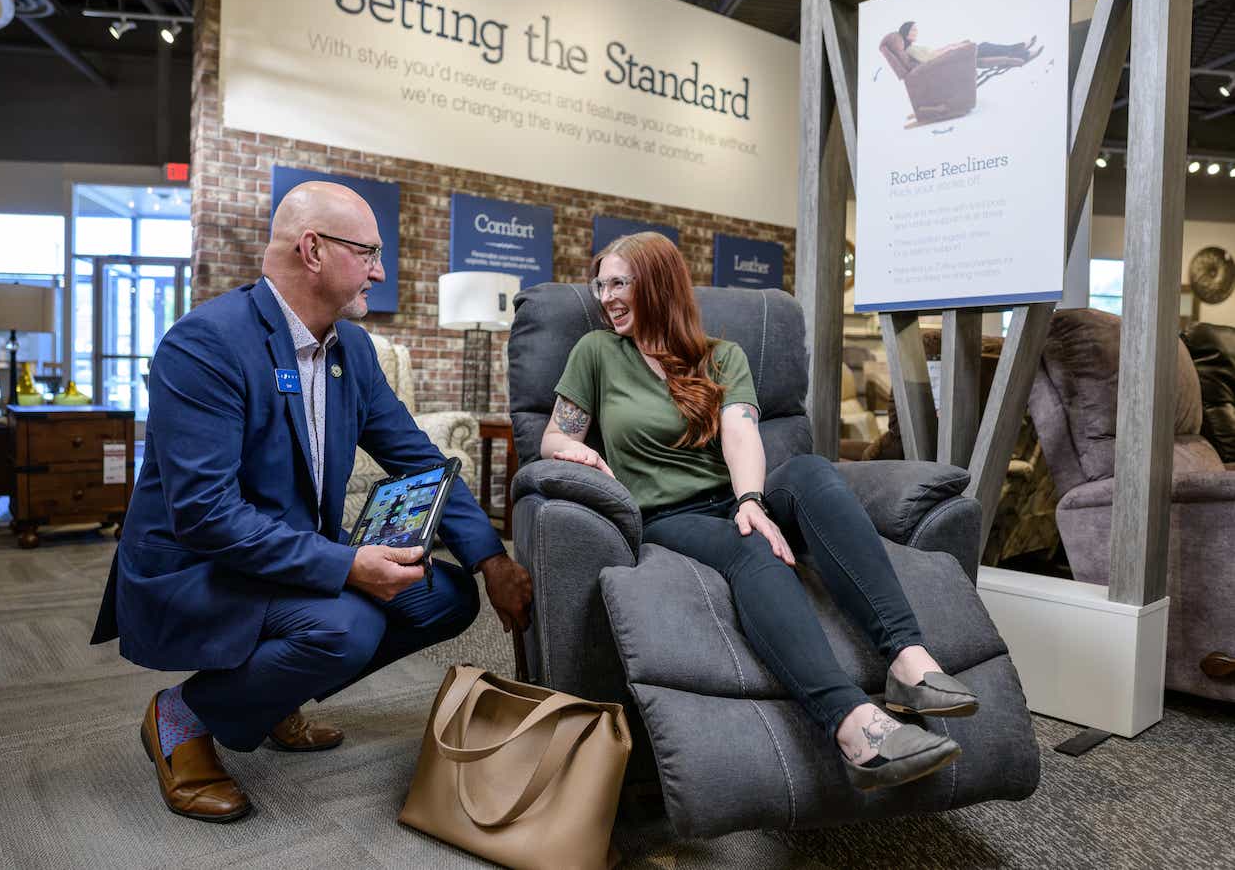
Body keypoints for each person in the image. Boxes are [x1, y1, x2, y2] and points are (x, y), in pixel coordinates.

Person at [91, 181, 532, 822]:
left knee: (447, 596)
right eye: (370, 253)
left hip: (291, 557)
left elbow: (417, 456)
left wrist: (492, 560)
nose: (380, 272)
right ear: (314, 250)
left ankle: (267, 700)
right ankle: (181, 718)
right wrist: (350, 567)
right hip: (200, 569)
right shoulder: (205, 344)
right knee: (346, 629)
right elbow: (206, 516)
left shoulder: (350, 349)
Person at [541, 232, 978, 790]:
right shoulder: (597, 353)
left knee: (812, 471)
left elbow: (741, 432)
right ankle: (854, 727)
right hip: (669, 517)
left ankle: (909, 660)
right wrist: (573, 448)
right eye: (599, 284)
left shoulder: (722, 357)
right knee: (754, 550)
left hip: (735, 494)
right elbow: (554, 436)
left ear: (658, 283)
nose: (605, 296)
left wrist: (750, 500)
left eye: (618, 282)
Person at [900, 20, 1042, 66]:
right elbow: (930, 58)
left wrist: (955, 45)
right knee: (985, 47)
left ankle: (1022, 49)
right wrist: (955, 48)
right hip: (955, 60)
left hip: (954, 57)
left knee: (985, 47)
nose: (916, 31)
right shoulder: (911, 50)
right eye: (913, 30)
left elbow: (933, 54)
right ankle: (1023, 54)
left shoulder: (912, 48)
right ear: (906, 34)